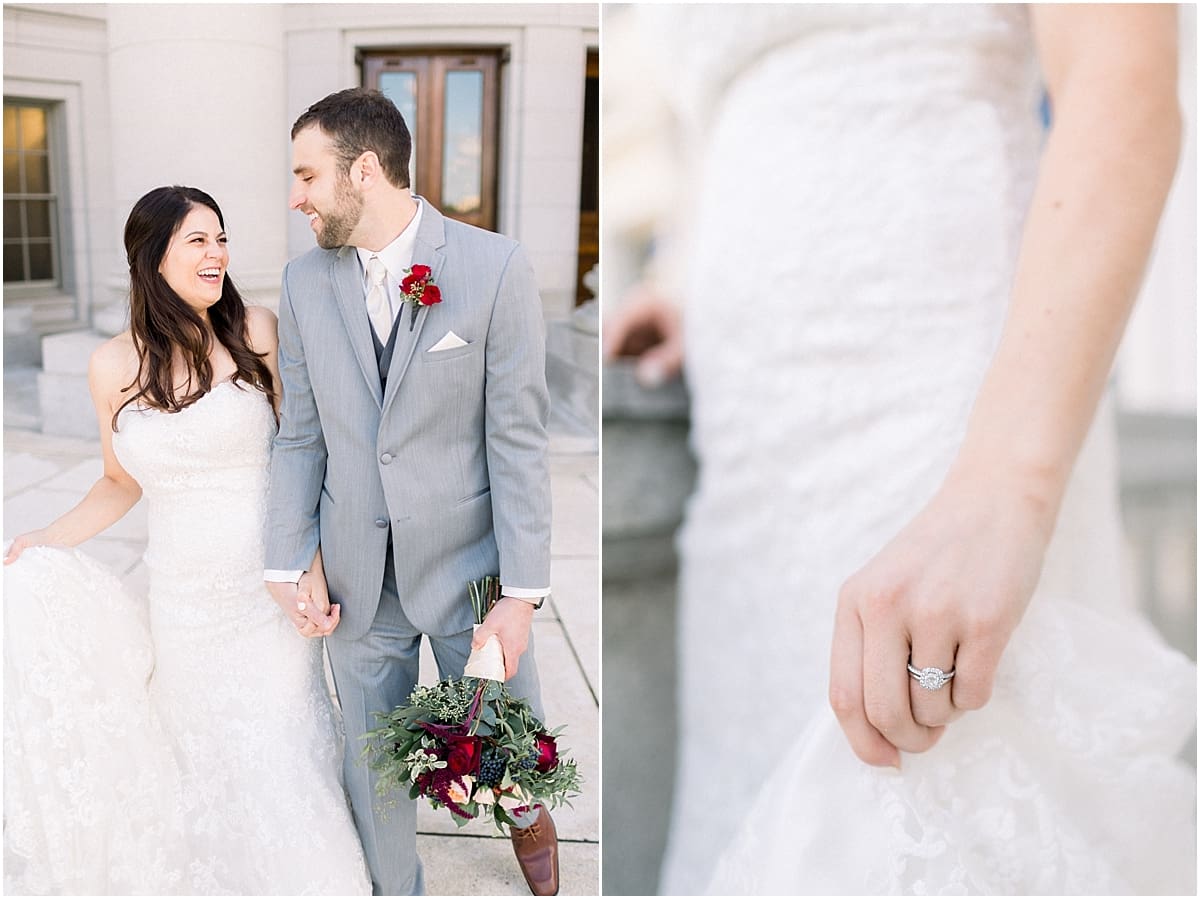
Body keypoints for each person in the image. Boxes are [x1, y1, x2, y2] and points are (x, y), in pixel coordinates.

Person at [605, 4, 1195, 894]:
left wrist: (1007, 489)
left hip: (942, 418)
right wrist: (697, 283)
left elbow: (1122, 85)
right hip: (750, 468)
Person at [3, 186, 371, 894]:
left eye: (222, 238)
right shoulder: (112, 365)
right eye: (198, 240)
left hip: (268, 588)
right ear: (152, 257)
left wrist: (309, 563)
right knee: (199, 756)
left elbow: (304, 454)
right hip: (182, 600)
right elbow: (118, 481)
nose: (218, 254)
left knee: (277, 751)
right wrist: (44, 538)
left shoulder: (256, 328)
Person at [263, 87, 558, 897]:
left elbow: (519, 438)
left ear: (363, 169)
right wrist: (289, 558)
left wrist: (523, 595)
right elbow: (301, 436)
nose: (295, 197)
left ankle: (529, 814)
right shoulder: (302, 282)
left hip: (472, 574)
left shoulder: (494, 266)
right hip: (358, 579)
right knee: (373, 765)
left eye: (307, 175)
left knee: (505, 741)